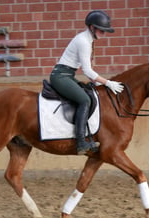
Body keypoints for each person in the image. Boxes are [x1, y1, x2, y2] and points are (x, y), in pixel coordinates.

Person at [50, 10, 124, 155]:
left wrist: (97, 83)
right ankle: (81, 142)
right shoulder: (83, 41)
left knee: (90, 95)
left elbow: (88, 71)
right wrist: (107, 83)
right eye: (101, 30)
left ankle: (88, 135)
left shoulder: (88, 40)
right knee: (84, 100)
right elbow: (87, 71)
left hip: (68, 75)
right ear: (92, 27)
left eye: (105, 31)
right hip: (61, 76)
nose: (103, 34)